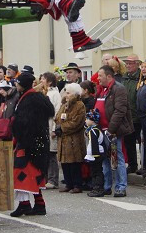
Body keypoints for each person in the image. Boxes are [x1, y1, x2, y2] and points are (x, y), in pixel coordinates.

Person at [9, 71, 55, 216]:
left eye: (17, 82)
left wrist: (13, 124)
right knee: (35, 174)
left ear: (22, 85)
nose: (16, 84)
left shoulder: (28, 100)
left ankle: (24, 204)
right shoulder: (36, 97)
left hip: (28, 141)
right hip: (39, 141)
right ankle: (40, 205)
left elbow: (23, 122)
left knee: (21, 173)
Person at [98, 65, 133, 198]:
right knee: (105, 159)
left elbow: (120, 111)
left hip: (113, 131)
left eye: (100, 76)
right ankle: (107, 186)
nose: (98, 78)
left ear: (108, 76)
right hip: (102, 130)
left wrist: (111, 130)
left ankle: (121, 186)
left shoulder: (119, 89)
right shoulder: (102, 89)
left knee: (116, 158)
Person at [56, 83, 88, 193]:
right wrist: (58, 126)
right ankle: (68, 184)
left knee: (74, 163)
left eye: (68, 93)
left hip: (74, 139)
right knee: (64, 163)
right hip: (63, 138)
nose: (66, 95)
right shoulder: (64, 104)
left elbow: (77, 122)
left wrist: (63, 127)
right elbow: (57, 117)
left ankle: (77, 184)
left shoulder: (79, 105)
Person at [39, 72, 62, 188]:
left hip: (50, 125)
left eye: (43, 79)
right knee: (45, 153)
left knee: (52, 154)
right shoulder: (44, 92)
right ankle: (46, 178)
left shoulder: (54, 94)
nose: (41, 81)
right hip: (43, 126)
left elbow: (57, 111)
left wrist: (54, 129)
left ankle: (53, 180)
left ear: (50, 81)